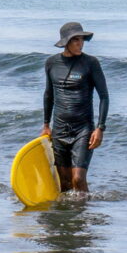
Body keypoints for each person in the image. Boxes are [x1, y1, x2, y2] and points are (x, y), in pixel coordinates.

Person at [42, 22, 109, 193]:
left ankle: (84, 216)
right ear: (66, 42)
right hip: (60, 129)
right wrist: (46, 125)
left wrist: (100, 128)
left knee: (78, 179)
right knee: (64, 184)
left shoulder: (90, 63)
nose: (80, 43)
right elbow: (49, 94)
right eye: (76, 40)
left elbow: (104, 96)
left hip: (83, 129)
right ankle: (68, 218)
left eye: (82, 40)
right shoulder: (51, 63)